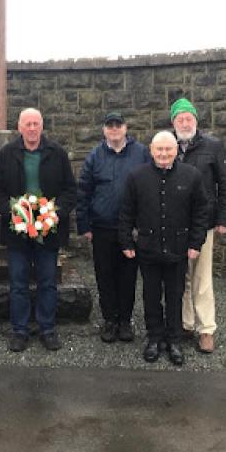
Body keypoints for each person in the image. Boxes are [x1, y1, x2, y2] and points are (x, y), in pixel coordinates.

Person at [0, 108, 77, 352]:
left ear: (42, 126)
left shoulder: (56, 153)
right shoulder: (6, 154)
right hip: (16, 229)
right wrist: (12, 213)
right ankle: (20, 330)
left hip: (47, 231)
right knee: (18, 282)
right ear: (19, 127)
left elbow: (71, 191)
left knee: (47, 281)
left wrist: (54, 214)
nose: (31, 128)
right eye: (27, 124)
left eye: (35, 123)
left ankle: (47, 329)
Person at [118, 131, 208, 366]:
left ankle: (174, 340)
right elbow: (127, 212)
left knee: (175, 296)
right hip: (148, 248)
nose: (164, 153)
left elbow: (200, 213)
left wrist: (195, 243)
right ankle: (154, 338)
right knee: (151, 296)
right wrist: (126, 242)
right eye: (159, 149)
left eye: (168, 149)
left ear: (175, 150)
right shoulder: (137, 177)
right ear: (151, 150)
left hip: (179, 249)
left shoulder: (191, 176)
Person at [76, 112, 150, 343]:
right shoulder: (95, 156)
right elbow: (83, 192)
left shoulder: (141, 153)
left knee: (128, 276)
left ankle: (125, 321)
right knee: (105, 275)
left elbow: (149, 187)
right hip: (102, 226)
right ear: (104, 130)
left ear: (126, 128)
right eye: (110, 125)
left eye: (119, 125)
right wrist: (84, 224)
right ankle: (109, 320)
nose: (115, 129)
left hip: (131, 228)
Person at [170, 97, 226, 354]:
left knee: (202, 278)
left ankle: (206, 329)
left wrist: (223, 218)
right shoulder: (166, 146)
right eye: (180, 119)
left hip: (203, 222)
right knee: (180, 277)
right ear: (173, 122)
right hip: (174, 224)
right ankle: (186, 323)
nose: (185, 122)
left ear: (196, 120)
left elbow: (225, 184)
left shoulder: (212, 146)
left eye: (189, 118)